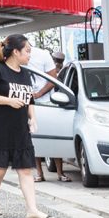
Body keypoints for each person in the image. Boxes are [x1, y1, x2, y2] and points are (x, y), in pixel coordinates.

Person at [0, 34, 54, 218]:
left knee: (26, 169)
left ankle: (32, 210)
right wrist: (8, 101)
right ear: (16, 51)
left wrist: (32, 118)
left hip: (20, 128)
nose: (29, 55)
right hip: (0, 126)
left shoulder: (25, 73)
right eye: (27, 51)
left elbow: (30, 98)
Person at [33, 52, 71, 182]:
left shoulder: (58, 71)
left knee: (54, 139)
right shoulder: (31, 67)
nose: (57, 63)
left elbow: (53, 83)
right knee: (35, 139)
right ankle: (39, 173)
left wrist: (39, 94)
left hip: (50, 104)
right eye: (56, 60)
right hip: (34, 106)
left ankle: (60, 173)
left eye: (60, 61)